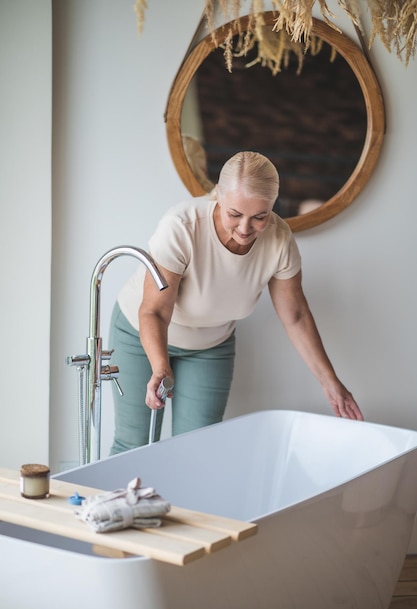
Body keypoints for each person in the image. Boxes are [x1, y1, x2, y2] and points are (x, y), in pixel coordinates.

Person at [109, 151, 363, 455]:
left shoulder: (279, 241)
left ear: (273, 205)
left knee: (197, 452)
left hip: (210, 346)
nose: (245, 229)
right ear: (218, 194)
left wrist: (329, 381)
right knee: (134, 446)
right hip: (141, 335)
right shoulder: (182, 226)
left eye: (259, 217)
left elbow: (295, 315)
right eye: (234, 214)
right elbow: (154, 310)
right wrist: (160, 367)